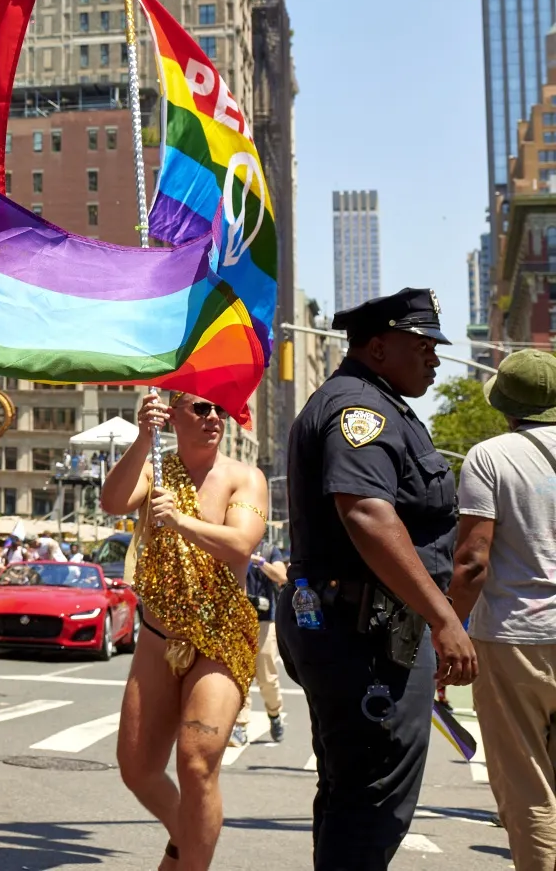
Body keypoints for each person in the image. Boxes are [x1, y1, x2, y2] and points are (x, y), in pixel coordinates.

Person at [276, 288, 474, 870]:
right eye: (424, 346)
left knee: (350, 792)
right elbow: (365, 510)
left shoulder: (371, 401)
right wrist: (444, 619)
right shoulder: (362, 411)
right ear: (380, 347)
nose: (434, 358)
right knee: (372, 802)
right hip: (366, 634)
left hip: (357, 625)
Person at [102, 390, 267, 871]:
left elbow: (240, 545)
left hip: (219, 637)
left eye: (220, 409)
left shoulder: (245, 478)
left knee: (196, 760)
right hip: (157, 635)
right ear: (173, 414)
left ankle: (192, 861)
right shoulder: (155, 466)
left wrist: (180, 519)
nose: (215, 417)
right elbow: (113, 501)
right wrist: (143, 437)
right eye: (201, 408)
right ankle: (187, 839)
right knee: (137, 769)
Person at [451, 348, 556, 871]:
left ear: (506, 405)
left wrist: (446, 627)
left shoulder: (490, 457)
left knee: (526, 785)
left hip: (516, 638)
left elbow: (472, 561)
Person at [230, 547, 288, 747]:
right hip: (237, 620)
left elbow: (282, 576)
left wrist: (260, 562)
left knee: (267, 678)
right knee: (239, 675)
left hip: (264, 621)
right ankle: (240, 725)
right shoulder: (233, 545)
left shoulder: (270, 551)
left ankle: (274, 714)